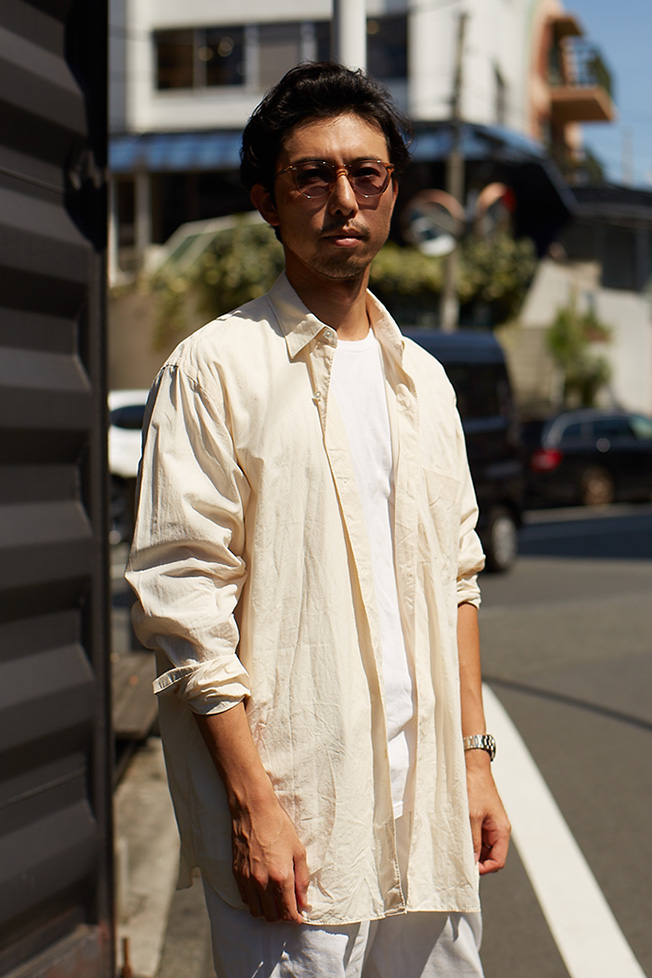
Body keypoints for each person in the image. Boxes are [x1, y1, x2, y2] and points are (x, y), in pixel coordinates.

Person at [126, 61, 510, 978]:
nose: (344, 198)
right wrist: (252, 804)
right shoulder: (214, 369)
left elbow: (458, 578)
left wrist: (475, 762)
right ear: (267, 200)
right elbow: (186, 605)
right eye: (312, 176)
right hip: (299, 821)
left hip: (429, 817)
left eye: (366, 173)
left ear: (392, 191)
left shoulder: (426, 382)